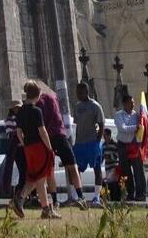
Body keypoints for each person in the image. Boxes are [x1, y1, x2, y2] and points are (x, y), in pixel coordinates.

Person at [11, 82, 61, 219]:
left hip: (28, 148)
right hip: (39, 147)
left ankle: (24, 200)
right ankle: (43, 208)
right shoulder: (36, 111)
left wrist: (24, 143)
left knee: (34, 178)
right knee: (40, 179)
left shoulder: (20, 112)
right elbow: (42, 131)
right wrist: (50, 148)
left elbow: (19, 132)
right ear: (37, 95)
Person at [31, 83, 83, 208]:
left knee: (50, 170)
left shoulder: (38, 103)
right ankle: (81, 197)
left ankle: (55, 201)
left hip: (48, 137)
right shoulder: (53, 97)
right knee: (72, 165)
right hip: (59, 134)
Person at [71, 83, 105, 205]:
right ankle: (77, 196)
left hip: (92, 142)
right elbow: (77, 123)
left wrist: (97, 141)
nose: (78, 95)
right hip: (80, 143)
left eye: (80, 92)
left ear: (86, 91)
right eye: (76, 92)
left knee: (97, 169)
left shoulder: (95, 106)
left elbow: (101, 124)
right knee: (76, 169)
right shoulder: (77, 106)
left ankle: (96, 197)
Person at [113, 94, 146, 201]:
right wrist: (135, 127)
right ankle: (130, 194)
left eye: (133, 103)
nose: (133, 105)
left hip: (134, 145)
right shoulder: (119, 115)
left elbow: (142, 127)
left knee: (138, 170)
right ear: (125, 104)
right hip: (122, 145)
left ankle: (141, 194)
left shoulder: (137, 116)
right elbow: (123, 128)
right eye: (131, 103)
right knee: (126, 171)